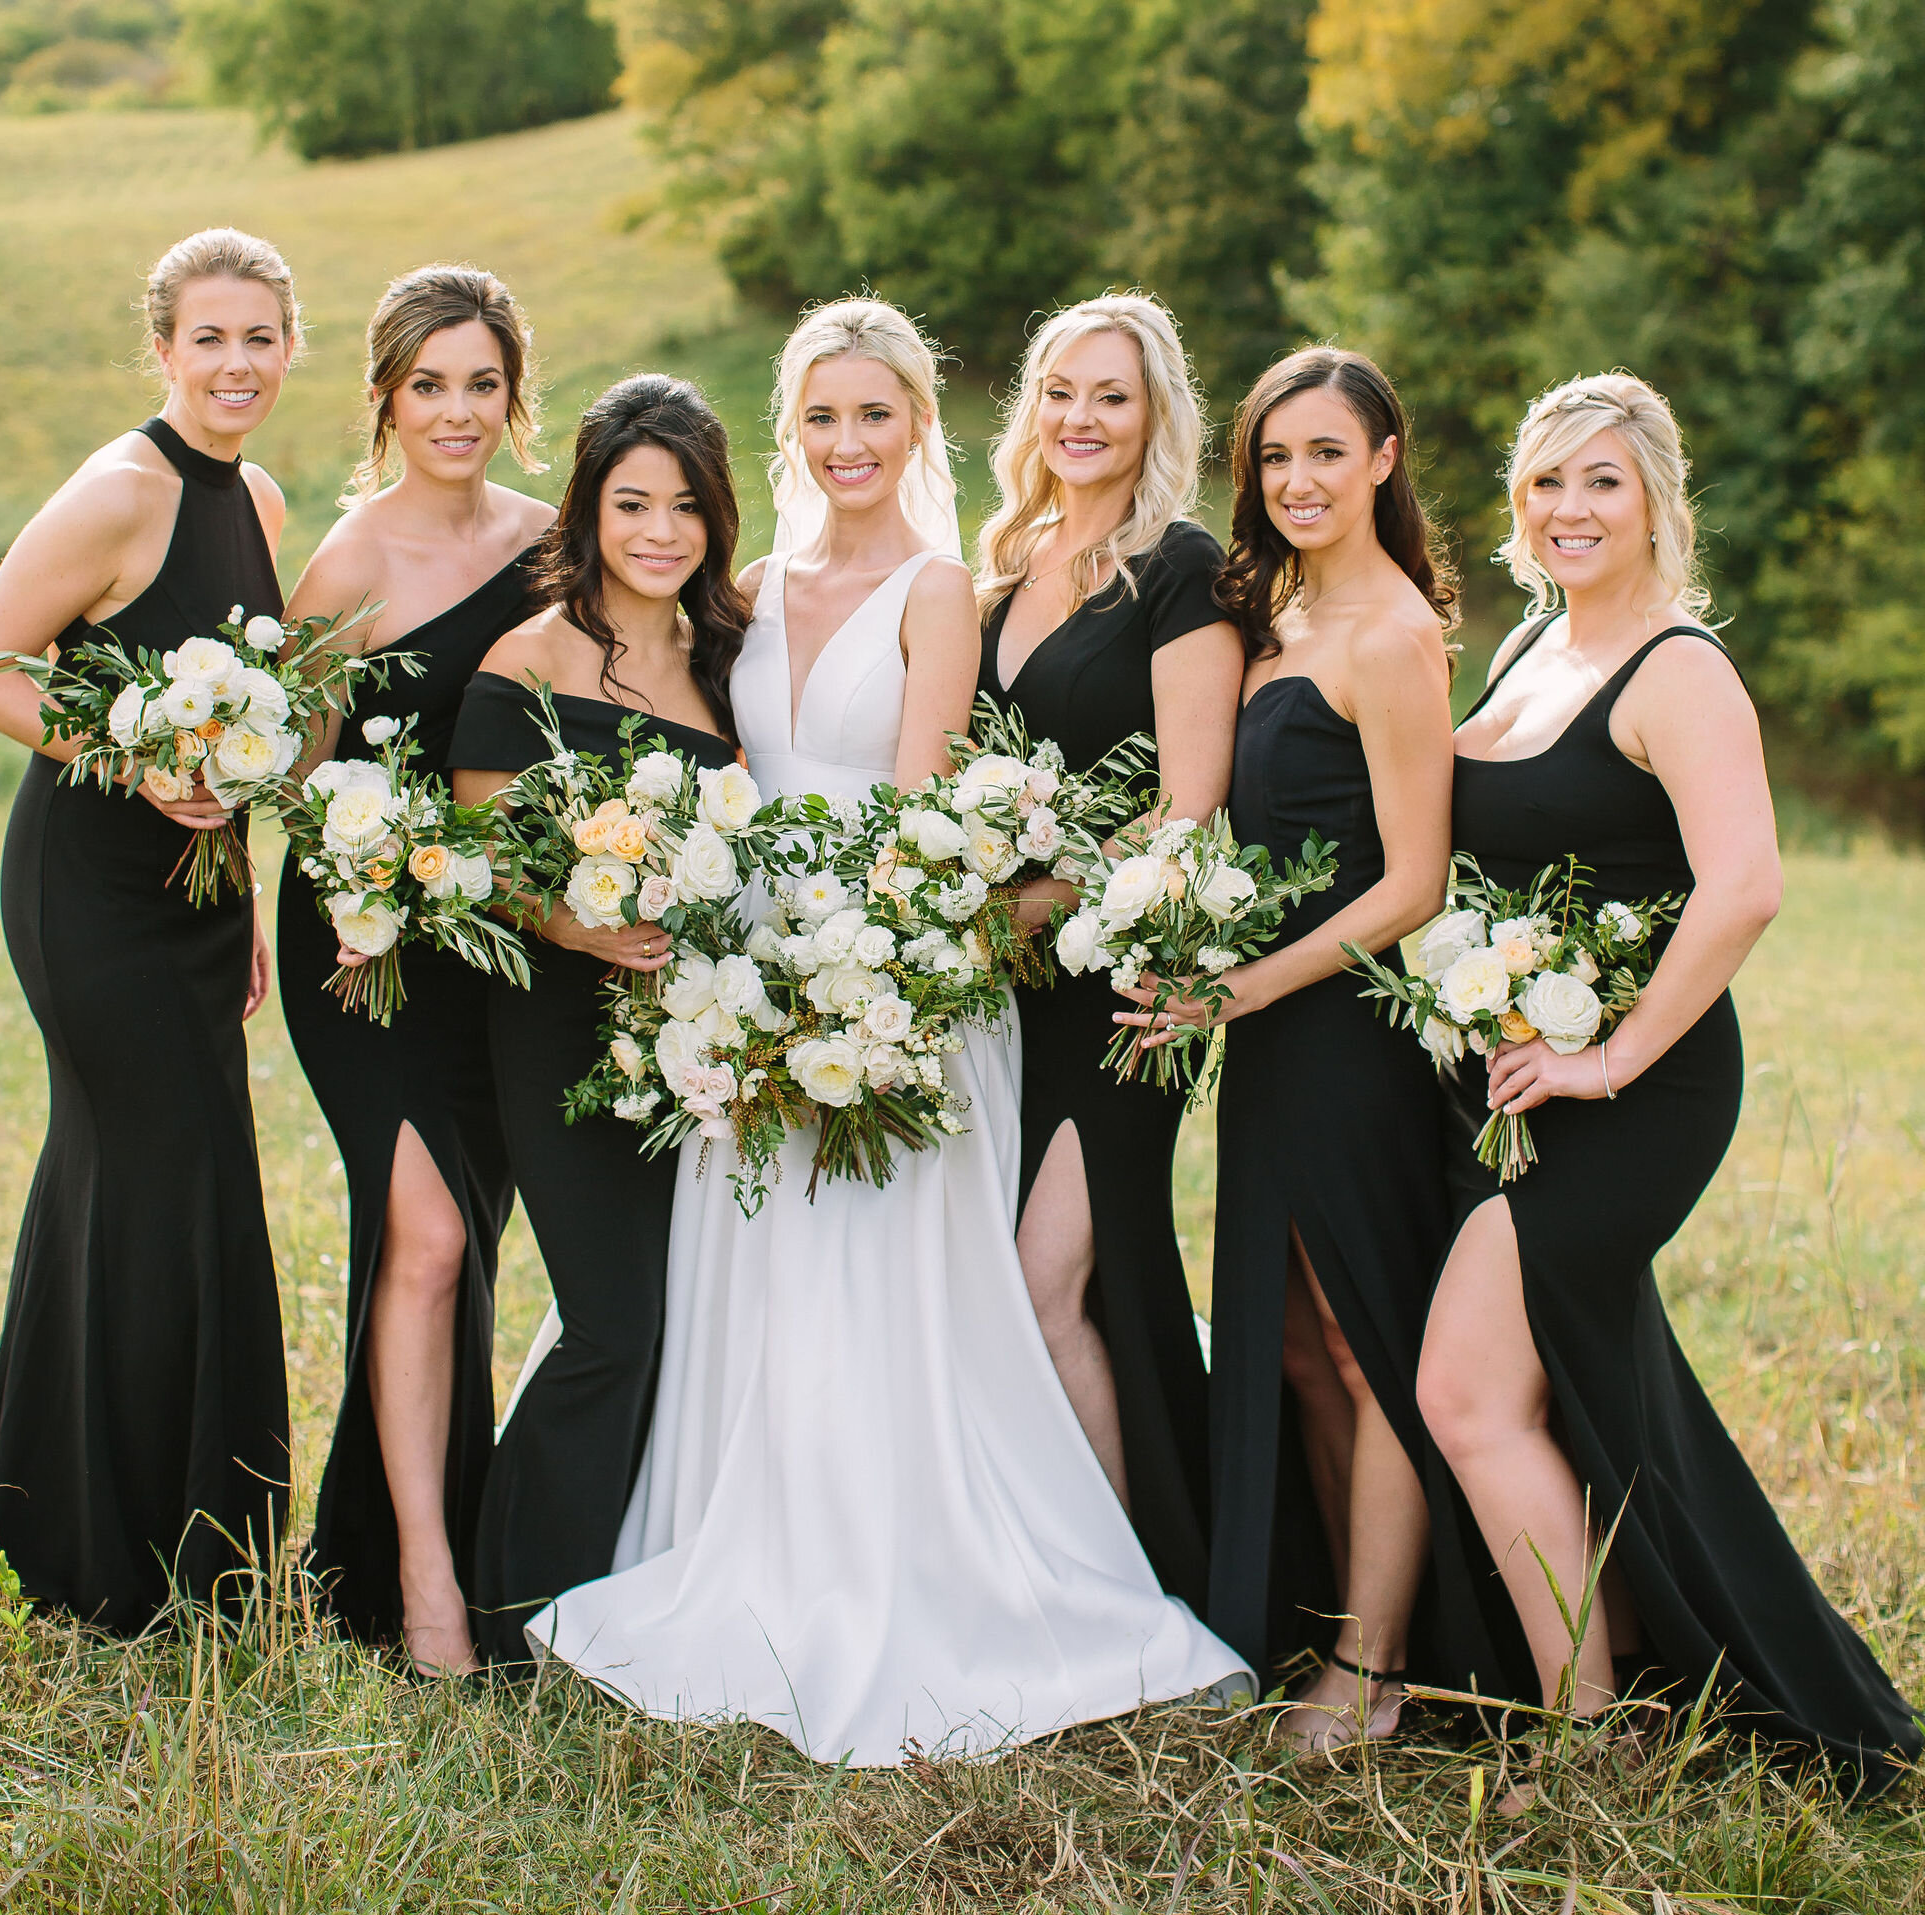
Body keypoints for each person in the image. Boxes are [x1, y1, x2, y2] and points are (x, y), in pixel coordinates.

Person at [526, 299, 1246, 1765]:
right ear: (788, 429)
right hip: (738, 963)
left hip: (887, 972)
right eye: (823, 416)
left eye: (878, 414)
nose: (850, 442)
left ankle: (958, 1569)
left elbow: (923, 822)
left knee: (901, 1284)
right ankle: (753, 1541)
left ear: (920, 425)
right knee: (764, 1272)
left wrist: (856, 984)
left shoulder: (940, 591)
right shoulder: (741, 584)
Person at [1417, 372, 1919, 1789]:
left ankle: (1587, 1740)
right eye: (1548, 481)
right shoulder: (1532, 646)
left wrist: (1615, 1054)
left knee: (1468, 1394)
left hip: (1643, 1093)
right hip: (1526, 1077)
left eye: (1603, 483)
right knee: (1592, 1388)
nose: (1570, 508)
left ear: (1656, 504)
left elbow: (1745, 885)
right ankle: (1680, 1661)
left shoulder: (1680, 667)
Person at [0, 228, 298, 1629]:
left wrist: (239, 883)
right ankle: (105, 1550)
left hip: (193, 898)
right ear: (164, 349)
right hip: (88, 894)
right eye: (210, 339)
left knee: (143, 1182)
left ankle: (86, 1517)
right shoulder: (121, 492)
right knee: (154, 1180)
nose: (236, 364)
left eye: (260, 338)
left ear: (287, 349)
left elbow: (242, 723)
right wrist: (137, 767)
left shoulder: (266, 503)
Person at [1127, 347, 1489, 1750]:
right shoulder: (1278, 613)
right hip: (1274, 1033)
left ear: (1385, 461)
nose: (1298, 482)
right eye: (1276, 459)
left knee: (1357, 1341)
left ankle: (1377, 1665)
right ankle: (1339, 1615)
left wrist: (1246, 990)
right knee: (1289, 1342)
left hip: (1348, 1035)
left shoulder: (1393, 633)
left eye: (1328, 454)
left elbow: (1415, 883)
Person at [278, 265, 553, 1676]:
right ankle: (429, 1595)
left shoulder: (557, 541)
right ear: (385, 396)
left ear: (515, 396)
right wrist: (356, 898)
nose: (456, 410)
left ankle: (400, 1541)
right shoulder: (350, 563)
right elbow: (299, 774)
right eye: (428, 384)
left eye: (480, 384)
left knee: (469, 1250)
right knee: (426, 1242)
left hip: (507, 954)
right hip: (365, 947)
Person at [450, 374, 747, 1668]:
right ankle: (506, 1602)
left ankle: (620, 1574)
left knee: (684, 1312)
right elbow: (476, 847)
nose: (660, 530)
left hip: (699, 1033)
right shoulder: (531, 655)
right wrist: (576, 925)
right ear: (590, 507)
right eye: (633, 503)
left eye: (684, 505)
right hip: (561, 1023)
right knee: (615, 1315)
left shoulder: (729, 658)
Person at [972, 295, 1244, 1610]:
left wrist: (1036, 900)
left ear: (1156, 418)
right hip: (1002, 993)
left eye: (1113, 397)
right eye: (1062, 393)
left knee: (1052, 1278)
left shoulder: (1183, 568)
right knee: (1092, 1282)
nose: (1082, 419)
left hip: (1130, 979)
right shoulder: (1004, 558)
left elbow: (1189, 804)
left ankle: (1128, 1602)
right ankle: (1148, 1561)